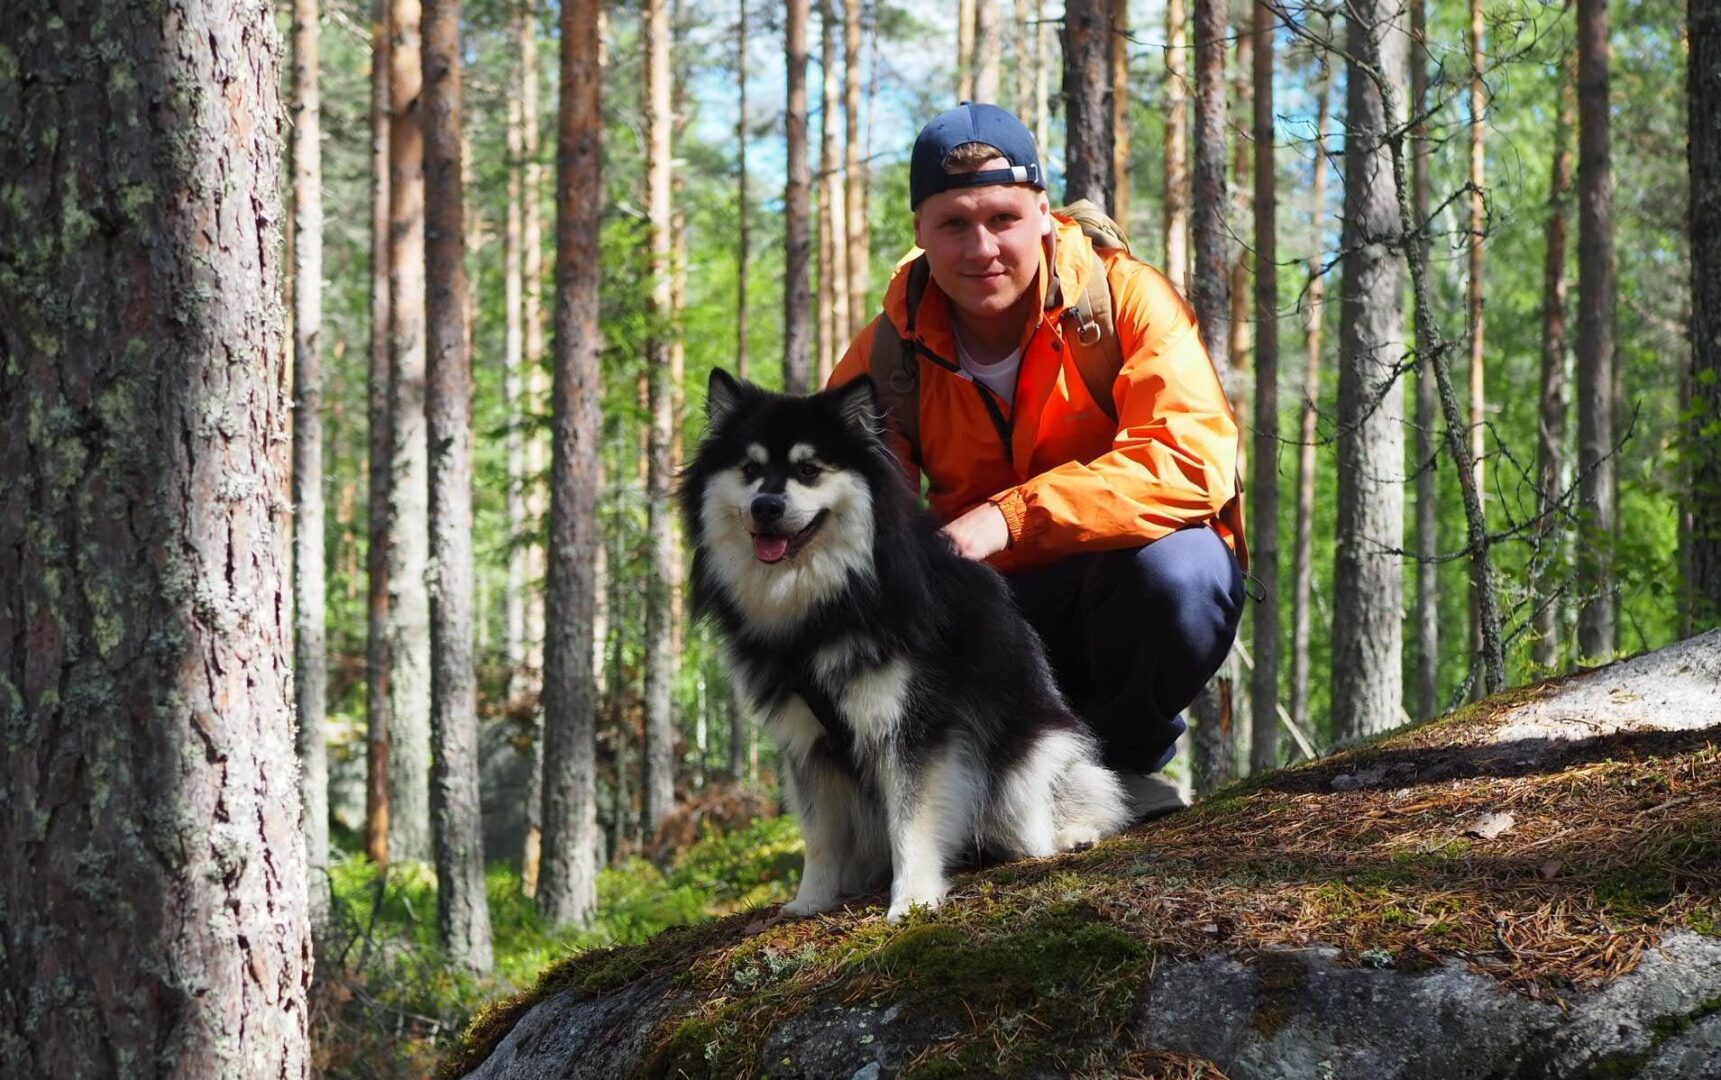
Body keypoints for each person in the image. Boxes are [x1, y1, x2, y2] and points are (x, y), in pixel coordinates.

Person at [827, 102, 1247, 817]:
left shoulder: (1124, 301)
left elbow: (1189, 461)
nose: (980, 248)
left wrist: (1009, 518)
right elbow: (843, 503)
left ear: (1044, 214)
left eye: (1002, 219)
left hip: (1109, 583)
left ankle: (1123, 768)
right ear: (920, 232)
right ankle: (940, 795)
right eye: (953, 224)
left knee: (1183, 574)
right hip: (979, 607)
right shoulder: (889, 350)